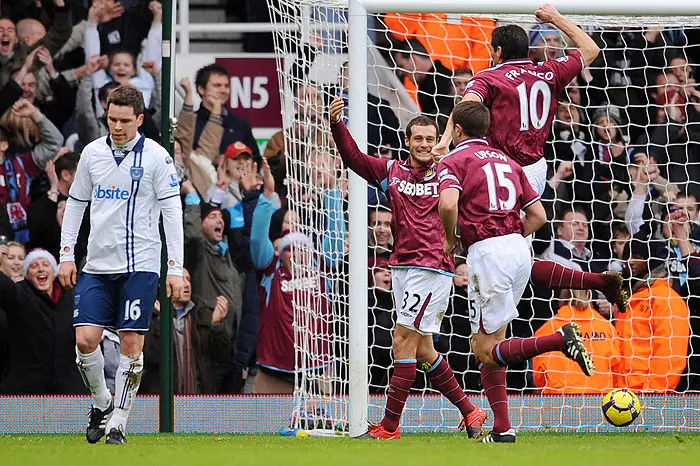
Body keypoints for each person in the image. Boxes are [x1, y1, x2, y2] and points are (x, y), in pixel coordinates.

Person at [432, 4, 627, 312]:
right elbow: (591, 47)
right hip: (535, 169)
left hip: (500, 170)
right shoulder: (549, 71)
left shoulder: (489, 77)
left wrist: (444, 140)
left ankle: (499, 340)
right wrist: (556, 19)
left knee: (500, 255)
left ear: (497, 51)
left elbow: (466, 109)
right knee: (515, 253)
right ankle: (594, 281)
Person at [437, 100, 594, 443]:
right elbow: (539, 217)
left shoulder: (454, 160)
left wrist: (452, 240)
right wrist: (509, 236)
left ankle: (558, 340)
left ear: (458, 131)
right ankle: (503, 429)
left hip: (487, 253)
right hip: (518, 250)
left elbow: (448, 204)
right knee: (495, 342)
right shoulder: (509, 161)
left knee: (481, 349)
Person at [330, 96, 487, 440]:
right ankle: (471, 411)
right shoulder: (392, 172)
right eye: (418, 139)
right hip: (402, 266)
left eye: (431, 139)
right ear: (407, 141)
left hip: (432, 268)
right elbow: (353, 158)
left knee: (400, 342)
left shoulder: (449, 174)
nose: (425, 145)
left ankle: (389, 426)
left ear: (438, 141)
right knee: (423, 349)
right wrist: (337, 125)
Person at [58, 86, 184, 445]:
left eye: (125, 121)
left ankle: (119, 423)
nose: (117, 126)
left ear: (140, 120)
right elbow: (76, 203)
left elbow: (173, 213)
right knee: (85, 341)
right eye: (112, 119)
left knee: (131, 345)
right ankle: (101, 402)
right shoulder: (92, 154)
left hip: (141, 265)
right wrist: (67, 254)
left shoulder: (158, 158)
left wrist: (174, 266)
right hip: (96, 265)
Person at [0, 248, 85, 394]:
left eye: (46, 264)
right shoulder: (20, 296)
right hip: (25, 391)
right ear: (27, 274)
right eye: (33, 266)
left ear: (54, 272)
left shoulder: (72, 300)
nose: (40, 269)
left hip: (69, 390)